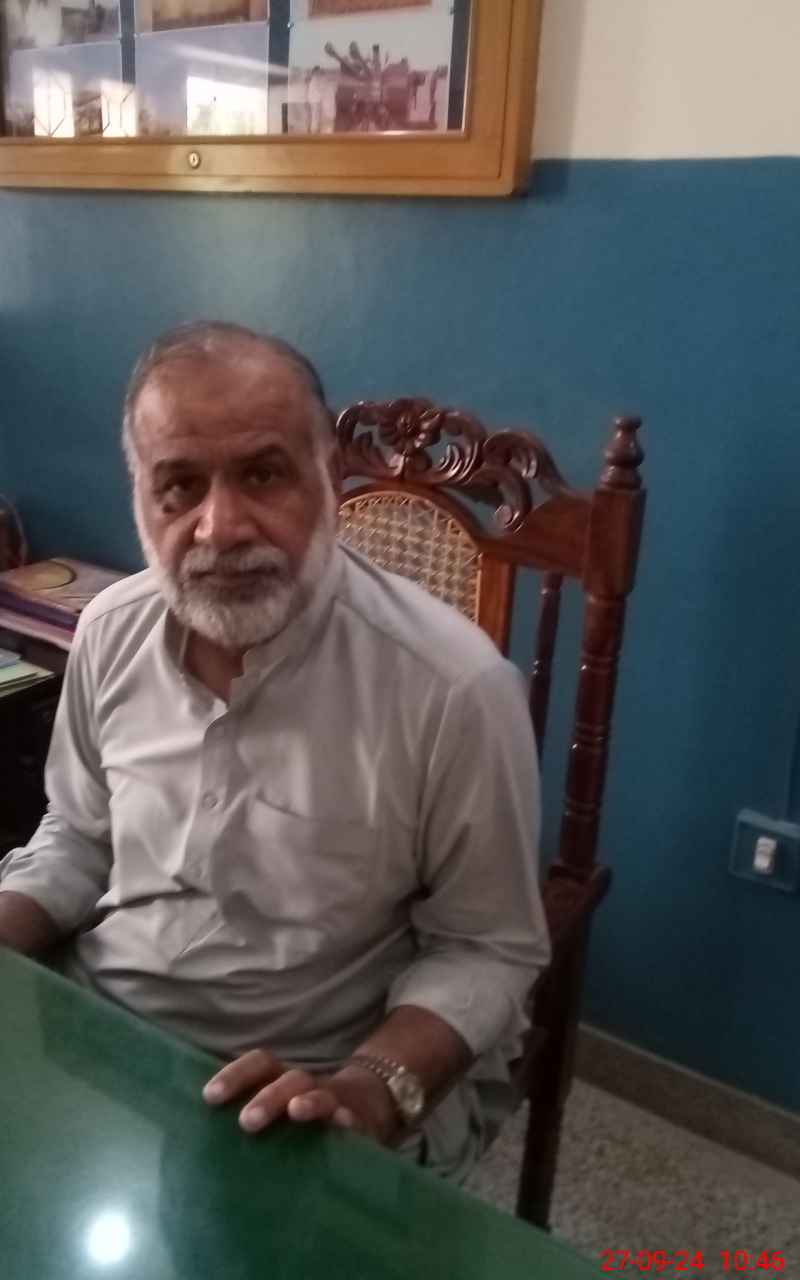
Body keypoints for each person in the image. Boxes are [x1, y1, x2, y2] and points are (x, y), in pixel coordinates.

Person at [0, 322, 550, 1180]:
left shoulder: (455, 689)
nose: (220, 528)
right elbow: (77, 836)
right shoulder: (108, 631)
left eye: (262, 474)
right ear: (140, 497)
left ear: (327, 478)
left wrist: (370, 1089)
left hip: (310, 1085)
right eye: (179, 487)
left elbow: (487, 947)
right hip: (101, 1034)